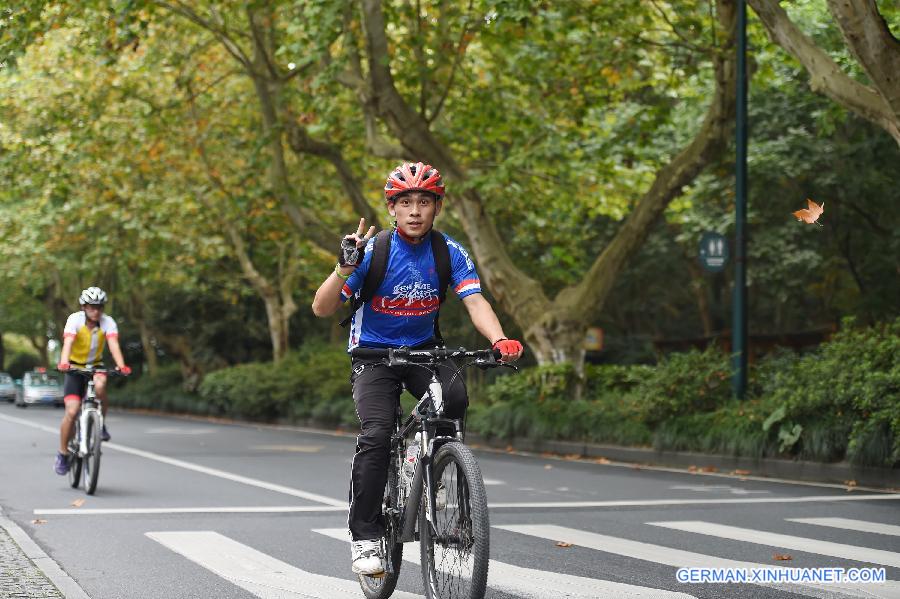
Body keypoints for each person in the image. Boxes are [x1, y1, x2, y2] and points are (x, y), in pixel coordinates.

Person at [312, 162, 524, 575]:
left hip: (424, 351)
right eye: (405, 202)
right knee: (375, 434)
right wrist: (343, 268)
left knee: (456, 396)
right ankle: (367, 536)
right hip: (374, 356)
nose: (414, 210)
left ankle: (434, 471)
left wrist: (500, 341)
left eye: (424, 202)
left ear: (437, 207)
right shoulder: (373, 251)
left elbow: (475, 301)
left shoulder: (448, 251)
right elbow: (322, 308)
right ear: (391, 209)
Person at [54, 287, 131, 475]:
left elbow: (113, 344)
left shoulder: (108, 322)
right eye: (92, 307)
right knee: (72, 412)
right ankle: (63, 453)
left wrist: (121, 366)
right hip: (74, 368)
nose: (96, 311)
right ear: (84, 307)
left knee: (101, 385)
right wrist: (64, 362)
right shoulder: (75, 320)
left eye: (99, 307)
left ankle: (100, 423)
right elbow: (68, 343)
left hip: (96, 366)